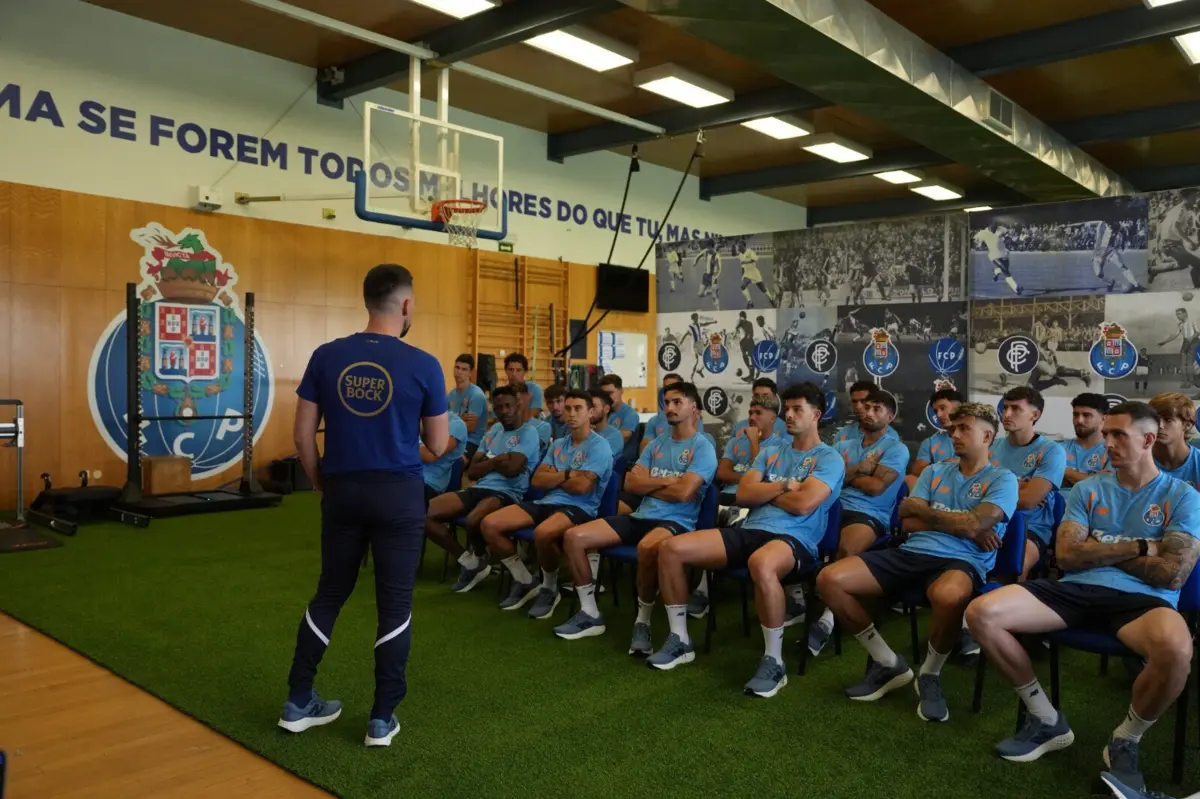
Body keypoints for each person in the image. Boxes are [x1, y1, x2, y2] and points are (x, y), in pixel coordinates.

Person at [966, 401, 1200, 792]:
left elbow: (1172, 574)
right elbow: (1067, 557)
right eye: (1106, 434)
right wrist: (1141, 546)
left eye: (1118, 435)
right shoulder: (1088, 489)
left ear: (1147, 439)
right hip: (1075, 589)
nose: (1107, 443)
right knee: (981, 613)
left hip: (1142, 600)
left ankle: (1126, 739)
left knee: (1177, 651)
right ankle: (1045, 719)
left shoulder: (1182, 496)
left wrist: (1097, 547)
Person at [279, 263, 450, 748]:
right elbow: (438, 445)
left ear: (367, 300)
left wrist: (320, 481)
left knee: (330, 593)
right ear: (406, 304)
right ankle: (381, 719)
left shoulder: (327, 355)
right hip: (398, 495)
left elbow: (302, 436)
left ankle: (298, 701)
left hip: (342, 490)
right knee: (394, 604)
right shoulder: (424, 364)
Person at [817, 402, 1018, 723]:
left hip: (962, 559)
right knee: (829, 580)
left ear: (987, 436)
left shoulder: (1003, 479)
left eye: (964, 428)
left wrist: (936, 515)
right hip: (912, 551)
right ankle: (887, 662)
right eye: (953, 429)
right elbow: (907, 520)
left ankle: (930, 673)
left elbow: (972, 523)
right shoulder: (934, 471)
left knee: (948, 596)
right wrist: (965, 525)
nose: (955, 434)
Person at [653, 382, 843, 694]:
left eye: (798, 409)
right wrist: (784, 487)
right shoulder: (770, 452)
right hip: (751, 530)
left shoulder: (829, 458)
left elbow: (803, 504)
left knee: (761, 563)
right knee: (671, 549)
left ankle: (774, 661)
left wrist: (765, 493)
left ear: (816, 415)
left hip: (795, 539)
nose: (789, 415)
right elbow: (743, 494)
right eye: (787, 409)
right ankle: (680, 640)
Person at [552, 381, 717, 654]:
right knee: (573, 537)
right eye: (667, 402)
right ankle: (590, 613)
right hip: (641, 515)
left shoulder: (703, 447)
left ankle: (643, 621)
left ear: (694, 408)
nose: (670, 407)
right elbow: (630, 484)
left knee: (646, 547)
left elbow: (684, 493)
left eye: (677, 402)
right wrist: (668, 481)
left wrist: (652, 483)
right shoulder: (656, 444)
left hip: (677, 522)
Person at [478, 390, 613, 617]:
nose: (571, 414)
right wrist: (569, 474)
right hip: (547, 501)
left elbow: (583, 487)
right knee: (489, 524)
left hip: (580, 508)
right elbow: (538, 480)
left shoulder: (600, 446)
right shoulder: (558, 443)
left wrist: (555, 475)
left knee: (542, 533)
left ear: (591, 412)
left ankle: (549, 587)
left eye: (578, 408)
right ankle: (524, 579)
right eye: (568, 408)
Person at [808, 387, 910, 657]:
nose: (868, 413)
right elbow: (826, 477)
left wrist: (847, 474)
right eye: (866, 407)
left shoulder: (896, 449)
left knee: (846, 549)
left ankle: (827, 620)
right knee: (793, 534)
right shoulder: (844, 445)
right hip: (833, 506)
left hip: (869, 514)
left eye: (877, 409)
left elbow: (876, 488)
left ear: (890, 416)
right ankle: (797, 601)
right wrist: (861, 469)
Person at [425, 386, 541, 593]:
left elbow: (513, 470)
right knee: (423, 513)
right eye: (499, 408)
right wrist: (497, 460)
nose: (504, 411)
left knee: (474, 519)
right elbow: (472, 471)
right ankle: (469, 562)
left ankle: (482, 558)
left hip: (507, 492)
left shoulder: (529, 432)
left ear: (518, 405)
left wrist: (487, 461)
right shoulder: (494, 431)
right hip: (480, 487)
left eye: (508, 406)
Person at [990, 386, 1065, 579]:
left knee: (1015, 568)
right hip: (988, 521)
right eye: (1005, 408)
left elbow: (1028, 501)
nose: (1007, 414)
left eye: (1016, 409)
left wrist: (995, 490)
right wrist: (1018, 485)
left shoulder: (1052, 451)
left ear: (1034, 415)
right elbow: (969, 491)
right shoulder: (991, 447)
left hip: (1031, 527)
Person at [715, 395, 788, 492]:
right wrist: (749, 481)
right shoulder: (735, 442)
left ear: (772, 419)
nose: (752, 417)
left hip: (756, 497)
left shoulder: (781, 446)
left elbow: (765, 479)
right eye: (750, 413)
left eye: (758, 413)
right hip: (728, 495)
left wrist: (754, 442)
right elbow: (722, 473)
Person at [905, 387, 963, 492]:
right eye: (936, 411)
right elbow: (917, 470)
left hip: (970, 488)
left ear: (959, 407)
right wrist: (945, 464)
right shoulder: (930, 442)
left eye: (943, 408)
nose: (938, 415)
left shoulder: (980, 438)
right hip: (938, 488)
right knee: (910, 479)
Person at [1149, 392, 1200, 488]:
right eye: (1155, 419)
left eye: (1168, 420)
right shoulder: (1135, 461)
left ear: (1187, 425)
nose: (1160, 425)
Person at [1061, 392, 1111, 488]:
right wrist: (1090, 478)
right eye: (1076, 415)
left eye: (1086, 415)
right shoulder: (1058, 449)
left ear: (1103, 418)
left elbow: (1103, 487)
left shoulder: (1111, 451)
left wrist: (1064, 470)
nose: (1079, 420)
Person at [446, 354, 489, 462]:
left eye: (464, 369)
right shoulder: (451, 395)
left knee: (455, 462)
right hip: (453, 437)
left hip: (472, 442)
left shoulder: (476, 395)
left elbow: (470, 427)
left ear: (471, 373)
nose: (459, 372)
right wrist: (460, 419)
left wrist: (452, 421)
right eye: (457, 367)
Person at [422, 412, 467, 501]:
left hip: (428, 482)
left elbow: (431, 455)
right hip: (407, 475)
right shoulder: (414, 419)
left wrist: (404, 443)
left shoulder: (456, 425)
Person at [641, 372, 684, 455]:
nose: (669, 391)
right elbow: (645, 449)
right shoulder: (654, 421)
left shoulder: (692, 418)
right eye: (666, 388)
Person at [597, 374, 640, 444]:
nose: (607, 397)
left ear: (621, 391)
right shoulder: (600, 413)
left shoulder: (630, 414)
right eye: (604, 394)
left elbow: (624, 437)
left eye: (610, 393)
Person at [588, 388, 627, 457]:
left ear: (606, 409)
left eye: (594, 406)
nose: (589, 411)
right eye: (587, 406)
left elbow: (595, 458)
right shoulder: (574, 431)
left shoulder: (614, 436)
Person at [515, 382, 551, 452]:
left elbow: (528, 450)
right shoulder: (502, 427)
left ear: (528, 396)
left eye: (518, 399)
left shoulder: (543, 427)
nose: (515, 403)